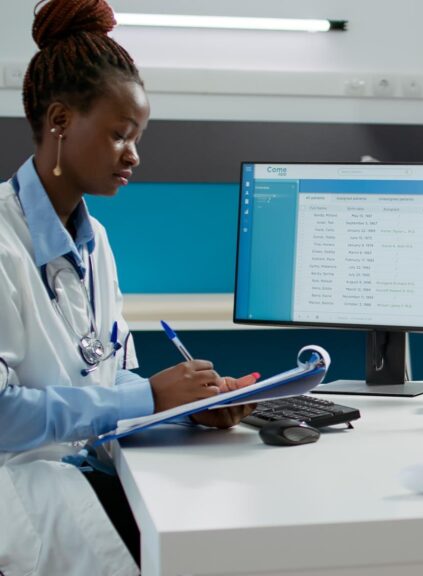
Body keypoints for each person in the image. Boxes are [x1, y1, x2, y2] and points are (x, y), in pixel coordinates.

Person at [0, 1, 255, 574]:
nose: (134, 154)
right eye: (120, 135)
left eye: (137, 136)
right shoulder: (1, 243)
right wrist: (147, 398)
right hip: (21, 493)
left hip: (90, 474)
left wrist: (190, 406)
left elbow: (110, 381)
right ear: (61, 121)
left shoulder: (98, 245)